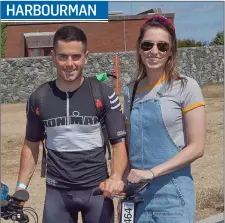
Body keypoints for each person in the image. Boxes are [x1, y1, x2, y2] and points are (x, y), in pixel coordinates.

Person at [15, 25, 128, 223]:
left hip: (97, 191)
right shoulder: (39, 97)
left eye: (76, 56)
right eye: (63, 56)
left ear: (86, 56)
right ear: (53, 56)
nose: (69, 63)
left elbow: (118, 144)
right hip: (57, 193)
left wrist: (117, 176)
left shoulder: (103, 93)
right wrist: (21, 189)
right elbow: (31, 145)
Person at [122, 15, 206, 223]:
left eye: (162, 46)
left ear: (171, 52)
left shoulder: (186, 87)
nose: (154, 51)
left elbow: (197, 147)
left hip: (173, 199)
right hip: (137, 198)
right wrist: (125, 193)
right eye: (148, 44)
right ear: (139, 49)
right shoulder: (130, 91)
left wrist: (152, 172)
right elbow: (127, 146)